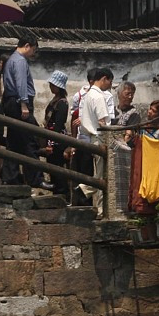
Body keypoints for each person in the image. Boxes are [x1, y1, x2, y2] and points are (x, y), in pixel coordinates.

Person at [0, 38, 42, 187]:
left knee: (14, 141)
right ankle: (35, 179)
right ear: (27, 46)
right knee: (30, 139)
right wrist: (24, 103)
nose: (33, 53)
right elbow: (21, 83)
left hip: (11, 101)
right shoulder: (20, 61)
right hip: (19, 102)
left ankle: (10, 176)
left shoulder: (11, 59)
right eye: (33, 50)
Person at [77, 67, 114, 214]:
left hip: (91, 137)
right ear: (104, 79)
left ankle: (98, 206)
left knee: (100, 174)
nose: (109, 87)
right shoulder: (99, 97)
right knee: (101, 175)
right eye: (109, 82)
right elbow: (102, 122)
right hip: (99, 137)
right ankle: (85, 190)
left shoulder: (88, 95)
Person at [41, 70, 71, 198]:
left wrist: (52, 143)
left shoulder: (62, 103)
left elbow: (58, 125)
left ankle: (62, 194)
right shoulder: (55, 100)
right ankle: (56, 192)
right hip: (50, 136)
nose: (51, 87)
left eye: (54, 85)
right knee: (52, 167)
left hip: (57, 140)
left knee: (57, 167)